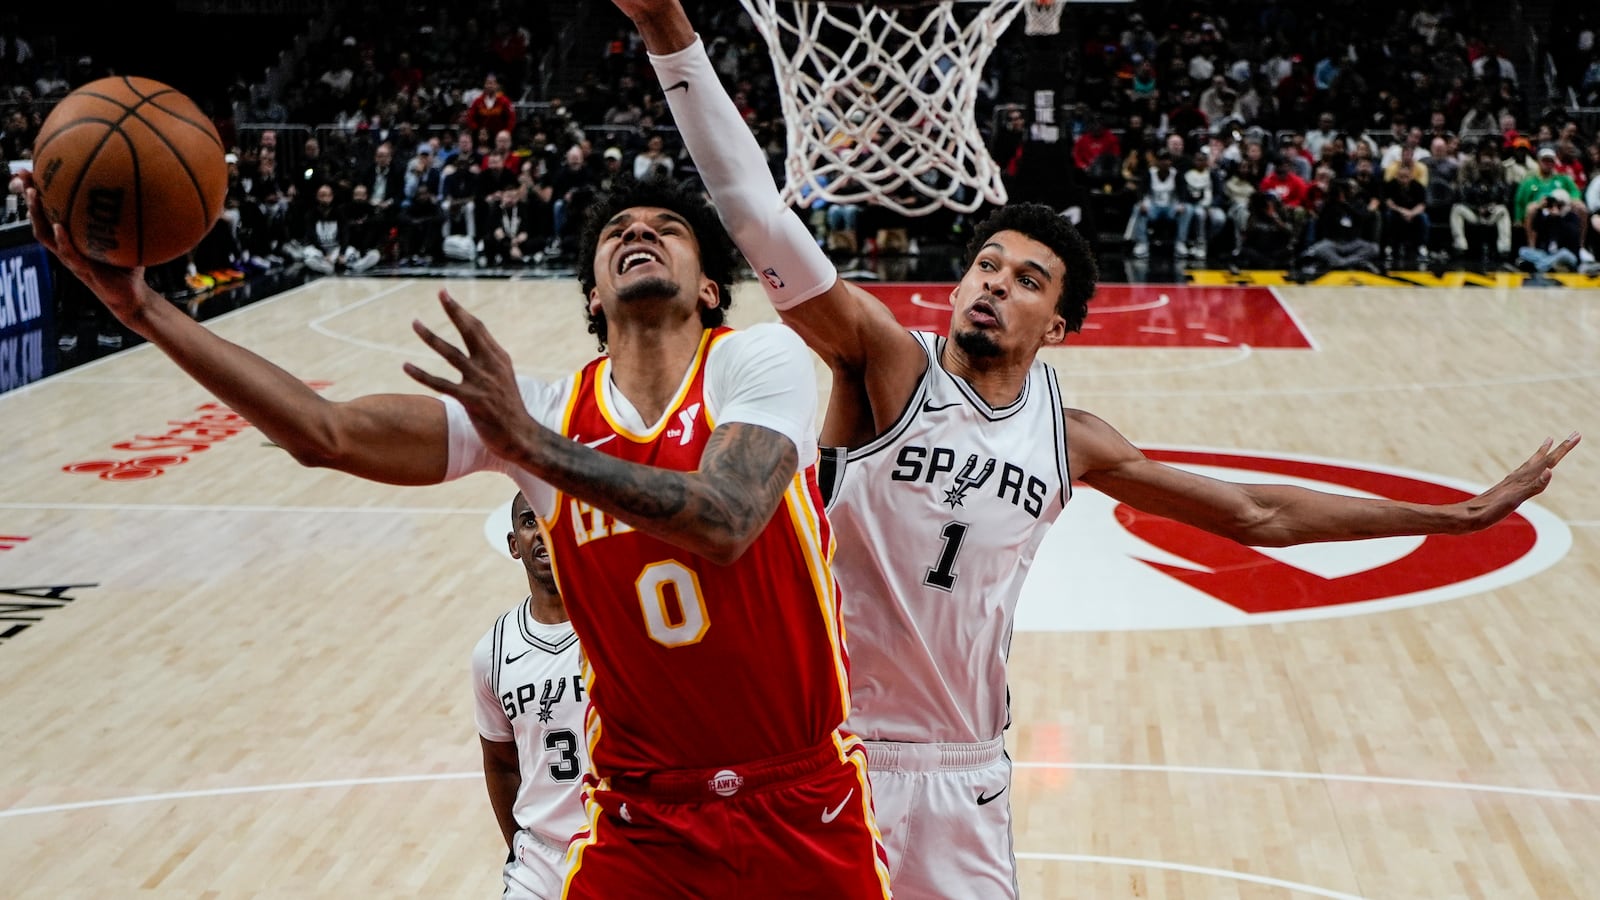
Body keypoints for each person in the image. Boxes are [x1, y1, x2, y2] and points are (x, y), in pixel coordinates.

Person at [620, 0, 1582, 896]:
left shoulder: (1070, 439)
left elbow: (1260, 515)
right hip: (829, 754)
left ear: (1062, 325)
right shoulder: (884, 367)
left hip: (966, 773)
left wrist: (1450, 517)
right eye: (984, 266)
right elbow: (757, 215)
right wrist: (670, 29)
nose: (993, 284)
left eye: (1027, 278)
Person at [20, 168, 893, 897]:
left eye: (669, 226)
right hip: (644, 814)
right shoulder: (543, 412)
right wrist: (144, 312)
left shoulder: (752, 362)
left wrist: (531, 447)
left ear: (710, 287)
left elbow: (730, 519)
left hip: (801, 797)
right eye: (617, 228)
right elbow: (322, 432)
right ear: (592, 290)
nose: (641, 232)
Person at [475, 492, 587, 899]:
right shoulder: (492, 651)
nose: (540, 531)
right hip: (538, 860)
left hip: (616, 849)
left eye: (550, 518)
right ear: (513, 543)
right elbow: (501, 764)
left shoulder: (616, 630)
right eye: (528, 521)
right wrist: (517, 848)